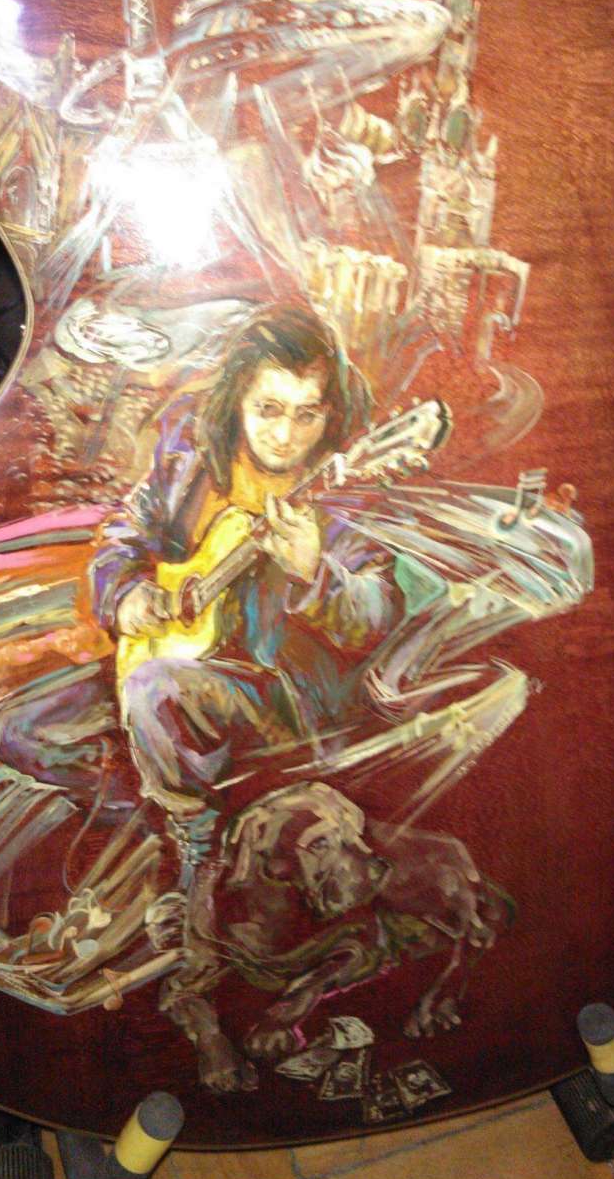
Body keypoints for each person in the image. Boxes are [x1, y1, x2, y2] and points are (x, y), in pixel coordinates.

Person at [87, 302, 402, 887]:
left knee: (152, 690)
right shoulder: (193, 463)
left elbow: (378, 616)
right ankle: (156, 813)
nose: (285, 436)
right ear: (238, 399)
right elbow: (124, 533)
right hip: (174, 659)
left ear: (329, 413)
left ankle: (199, 856)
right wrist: (126, 594)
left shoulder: (345, 495)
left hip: (278, 695)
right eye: (269, 409)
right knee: (20, 730)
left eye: (307, 415)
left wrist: (314, 573)